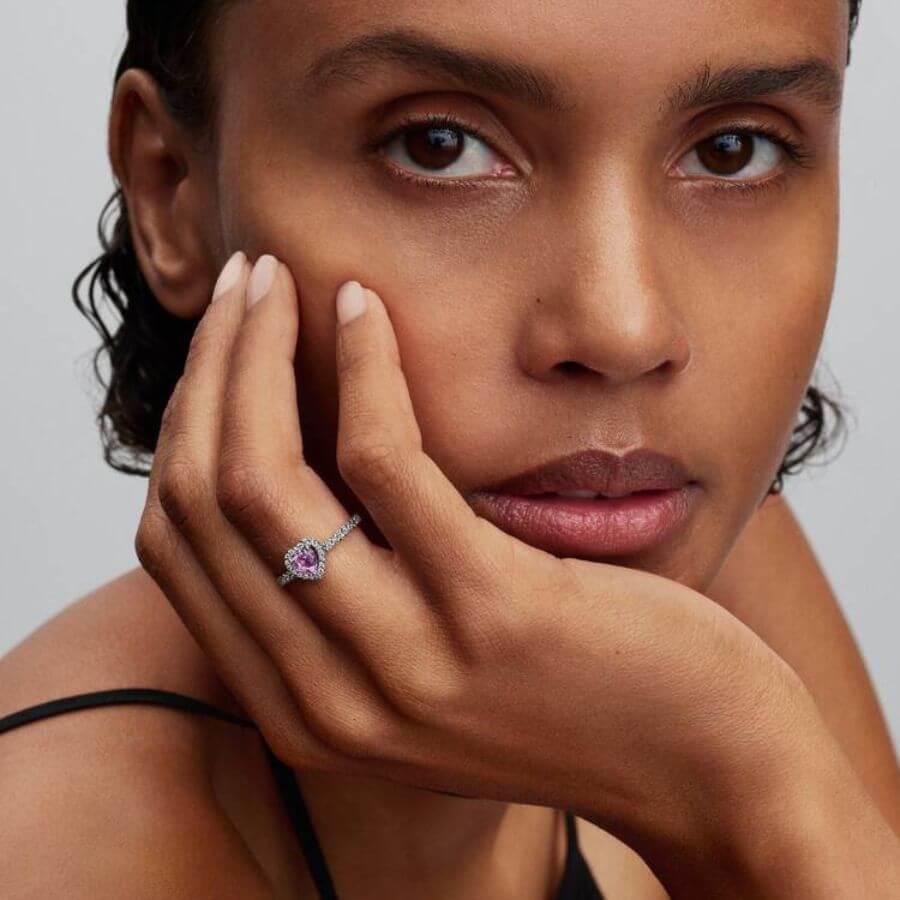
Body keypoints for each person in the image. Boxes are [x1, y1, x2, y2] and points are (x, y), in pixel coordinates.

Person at [1, 1, 898, 897]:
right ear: (170, 191)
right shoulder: (59, 854)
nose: (624, 330)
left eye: (734, 151)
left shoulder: (645, 523)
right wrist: (747, 795)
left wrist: (749, 779)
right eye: (439, 146)